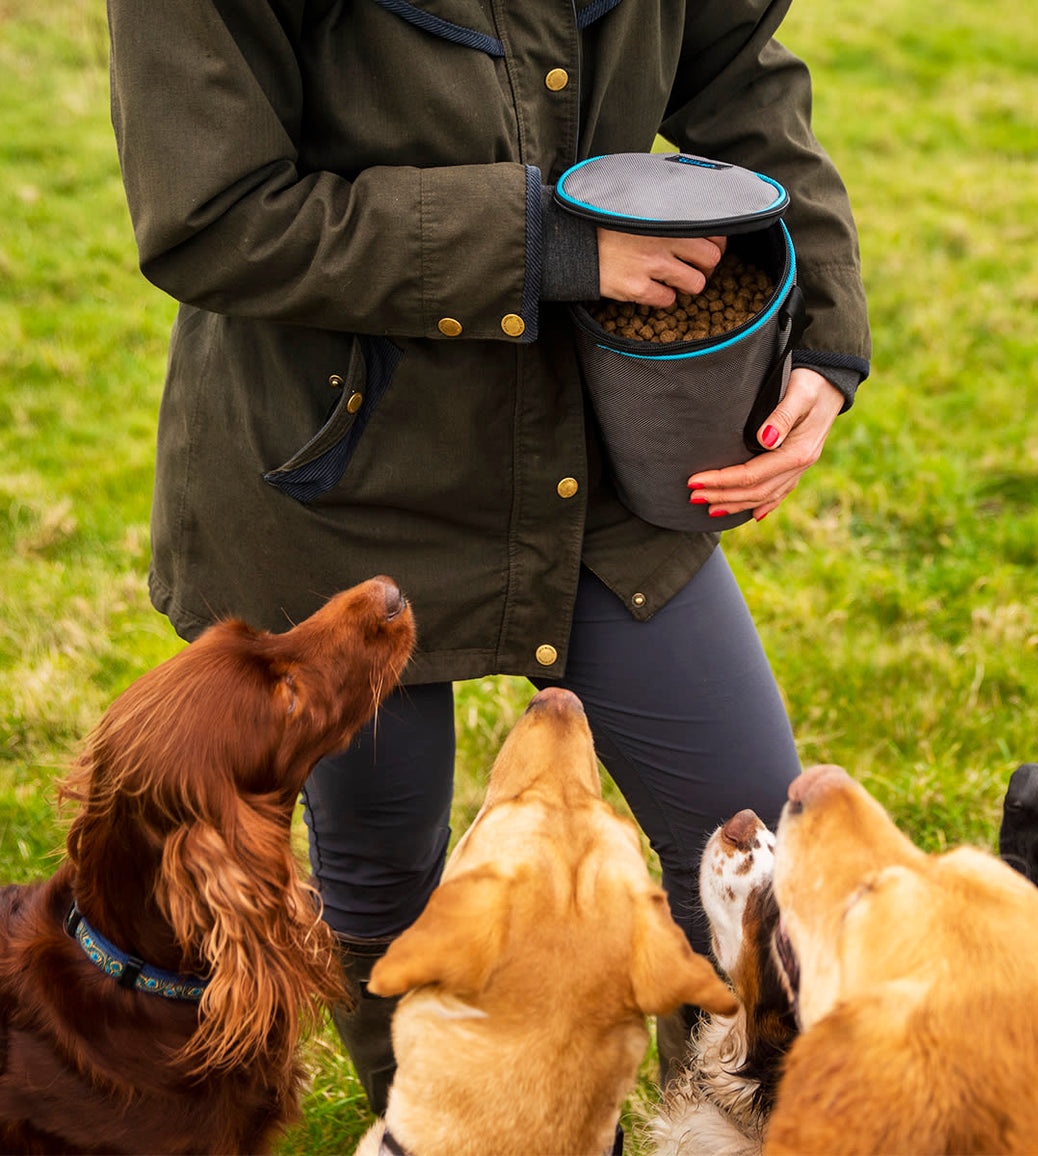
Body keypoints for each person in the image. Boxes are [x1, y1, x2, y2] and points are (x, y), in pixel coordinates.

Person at [106, 0, 871, 1115]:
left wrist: (826, 328)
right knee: (382, 875)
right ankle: (439, 1128)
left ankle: (712, 1133)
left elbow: (737, 77)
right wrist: (547, 246)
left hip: (586, 439)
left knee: (756, 852)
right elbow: (210, 215)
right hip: (329, 470)